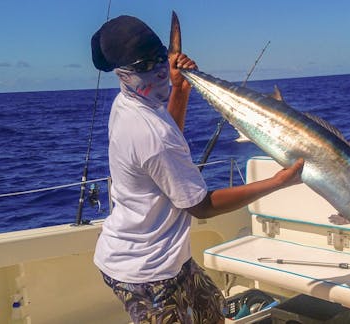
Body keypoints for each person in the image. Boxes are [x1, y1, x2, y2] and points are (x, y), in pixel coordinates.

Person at [90, 15, 305, 324]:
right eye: (143, 66)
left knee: (214, 312)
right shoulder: (147, 130)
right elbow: (201, 206)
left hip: (170, 261)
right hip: (144, 273)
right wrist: (280, 181)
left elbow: (169, 135)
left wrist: (181, 88)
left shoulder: (132, 104)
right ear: (122, 73)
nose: (158, 70)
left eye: (159, 58)